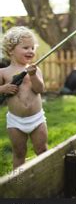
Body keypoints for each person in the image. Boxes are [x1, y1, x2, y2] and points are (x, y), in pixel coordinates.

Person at [0, 27, 47, 169]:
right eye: (25, 47)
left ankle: (48, 176)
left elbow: (40, 89)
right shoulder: (3, 72)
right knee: (19, 153)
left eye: (32, 47)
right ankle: (18, 183)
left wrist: (32, 75)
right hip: (15, 121)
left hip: (36, 119)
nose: (30, 51)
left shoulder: (35, 69)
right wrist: (3, 88)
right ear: (11, 50)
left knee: (42, 150)